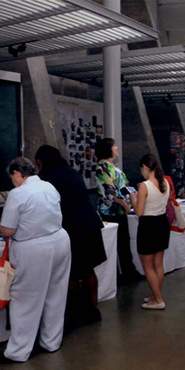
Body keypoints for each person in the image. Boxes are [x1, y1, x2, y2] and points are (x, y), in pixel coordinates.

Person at [0, 157, 71, 362]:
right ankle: (51, 342)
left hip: (33, 248)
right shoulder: (49, 186)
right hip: (59, 240)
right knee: (55, 294)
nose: (12, 180)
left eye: (12, 176)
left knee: (26, 300)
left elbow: (8, 229)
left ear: (18, 173)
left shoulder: (18, 194)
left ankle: (18, 351)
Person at [34, 145, 106, 329]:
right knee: (89, 270)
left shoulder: (47, 178)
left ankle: (74, 314)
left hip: (72, 229)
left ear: (41, 162)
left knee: (71, 273)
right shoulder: (71, 172)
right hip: (90, 225)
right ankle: (93, 310)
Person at [95, 138, 141, 284]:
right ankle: (118, 275)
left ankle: (129, 271)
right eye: (114, 146)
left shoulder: (113, 167)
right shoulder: (101, 168)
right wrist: (125, 204)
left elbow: (124, 187)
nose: (116, 148)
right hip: (110, 212)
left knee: (124, 243)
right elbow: (110, 191)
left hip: (121, 211)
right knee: (116, 244)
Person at [130, 154, 170, 310]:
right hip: (162, 223)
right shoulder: (165, 182)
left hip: (148, 225)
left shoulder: (144, 186)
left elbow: (139, 211)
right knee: (158, 264)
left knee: (148, 266)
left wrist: (133, 200)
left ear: (145, 168)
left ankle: (158, 299)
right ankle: (155, 294)